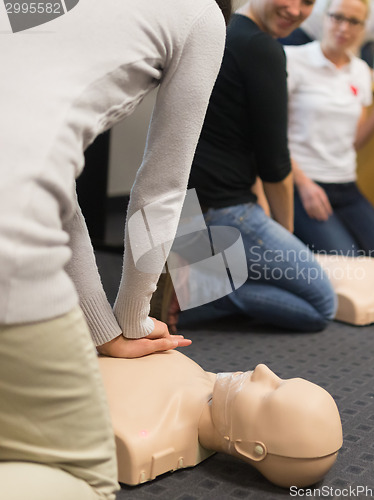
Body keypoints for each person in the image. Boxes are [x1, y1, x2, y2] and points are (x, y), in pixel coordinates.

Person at [0, 0, 228, 498]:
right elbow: (162, 195)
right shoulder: (201, 16)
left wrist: (103, 329)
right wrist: (132, 319)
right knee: (83, 478)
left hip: (20, 199)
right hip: (12, 222)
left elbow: (50, 186)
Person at [183, 0, 337, 332]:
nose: (296, 10)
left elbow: (243, 144)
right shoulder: (261, 47)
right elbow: (274, 163)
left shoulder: (222, 31)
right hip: (221, 212)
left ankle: (202, 272)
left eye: (308, 2)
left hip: (187, 207)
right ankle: (199, 285)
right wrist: (286, 235)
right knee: (323, 305)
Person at [285, 0, 374, 270]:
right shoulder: (292, 59)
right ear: (324, 17)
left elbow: (355, 141)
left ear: (363, 28)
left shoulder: (360, 71)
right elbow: (271, 134)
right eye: (337, 17)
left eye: (354, 21)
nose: (344, 27)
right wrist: (304, 184)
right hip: (304, 184)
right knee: (350, 267)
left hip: (345, 185)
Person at [99, 350, 343, 487]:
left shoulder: (144, 434)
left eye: (268, 394)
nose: (262, 370)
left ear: (253, 449)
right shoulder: (206, 382)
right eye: (281, 378)